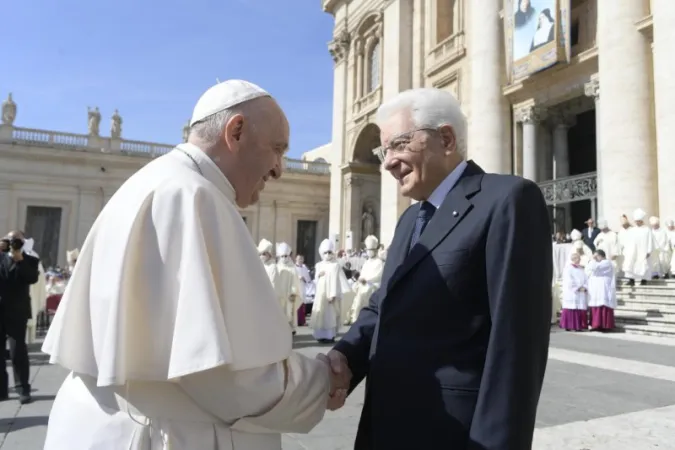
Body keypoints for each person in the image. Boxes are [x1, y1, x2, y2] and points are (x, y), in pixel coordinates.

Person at [41, 80, 350, 449]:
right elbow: (230, 377)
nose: (280, 169)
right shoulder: (193, 196)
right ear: (235, 131)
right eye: (277, 149)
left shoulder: (153, 181)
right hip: (165, 434)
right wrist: (322, 381)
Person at [323, 88, 552, 449]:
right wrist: (344, 357)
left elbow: (516, 346)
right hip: (385, 427)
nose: (387, 162)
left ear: (445, 138)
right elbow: (385, 305)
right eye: (384, 151)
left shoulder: (507, 201)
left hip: (454, 435)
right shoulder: (410, 219)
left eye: (399, 144)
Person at [0, 231, 40, 404]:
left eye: (17, 240)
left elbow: (32, 278)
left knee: (18, 351)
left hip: (17, 311)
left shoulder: (30, 259)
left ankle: (22, 388)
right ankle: (2, 390)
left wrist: (20, 260)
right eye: (10, 240)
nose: (13, 243)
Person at [586, 249, 617, 331]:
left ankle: (604, 325)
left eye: (596, 256)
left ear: (601, 256)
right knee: (595, 306)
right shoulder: (597, 263)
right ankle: (595, 325)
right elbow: (588, 270)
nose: (595, 258)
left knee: (602, 305)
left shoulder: (607, 262)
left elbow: (595, 268)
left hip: (603, 288)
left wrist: (592, 260)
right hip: (596, 289)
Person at [560, 252, 589, 331]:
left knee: (578, 308)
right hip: (572, 292)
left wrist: (585, 287)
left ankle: (577, 326)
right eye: (578, 258)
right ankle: (568, 325)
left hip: (580, 292)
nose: (580, 259)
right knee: (571, 308)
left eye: (579, 258)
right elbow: (569, 281)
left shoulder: (581, 269)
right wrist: (578, 288)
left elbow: (586, 279)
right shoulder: (568, 269)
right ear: (574, 259)